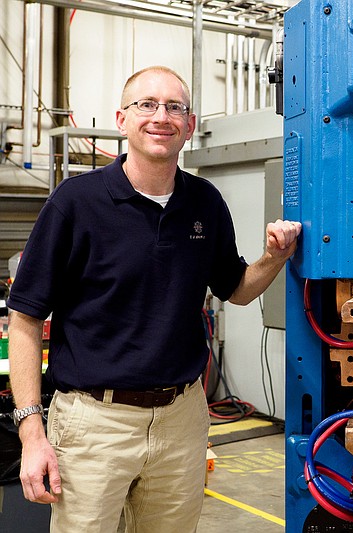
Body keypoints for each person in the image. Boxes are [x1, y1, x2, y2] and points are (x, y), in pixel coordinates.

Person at [7, 65, 302, 532]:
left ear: (189, 123)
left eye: (174, 107)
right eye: (146, 104)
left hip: (181, 420)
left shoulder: (206, 202)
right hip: (92, 424)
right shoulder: (74, 203)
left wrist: (274, 257)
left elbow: (238, 289)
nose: (160, 116)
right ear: (122, 119)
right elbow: (24, 320)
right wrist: (31, 431)